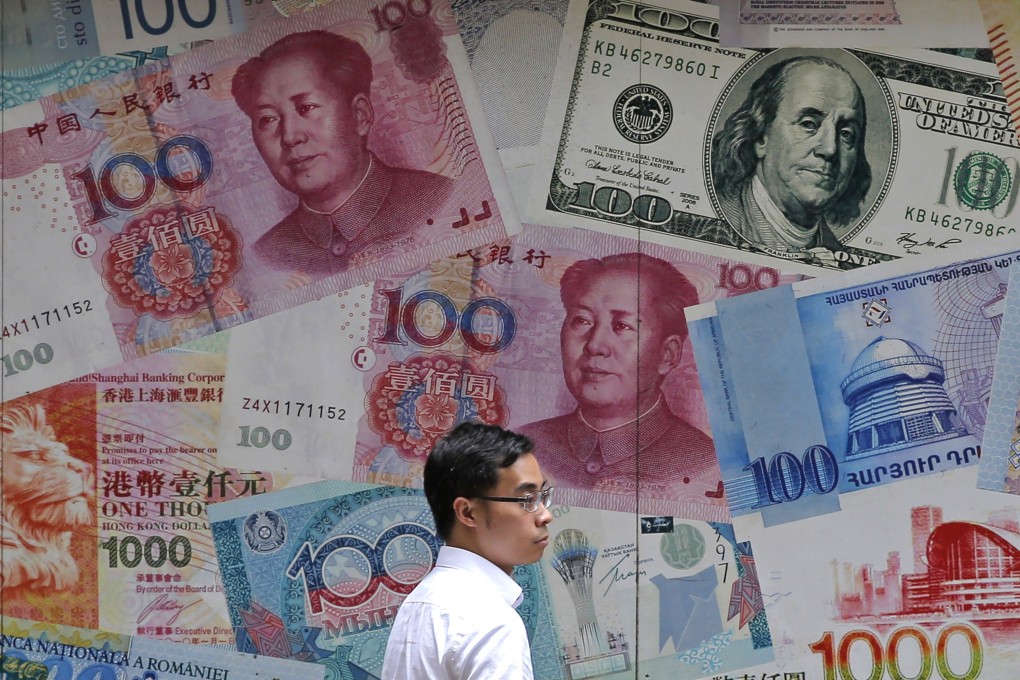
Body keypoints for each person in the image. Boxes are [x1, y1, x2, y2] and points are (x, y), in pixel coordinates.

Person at [232, 30, 454, 278]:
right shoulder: (268, 255)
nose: (290, 136)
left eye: (306, 108)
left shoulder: (442, 200)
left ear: (360, 115)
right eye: (268, 119)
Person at [519, 252, 719, 500]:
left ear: (667, 354)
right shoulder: (520, 445)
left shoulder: (707, 464)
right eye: (582, 320)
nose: (595, 345)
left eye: (622, 326)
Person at [382, 422, 553, 680]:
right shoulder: (492, 621)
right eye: (528, 500)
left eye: (543, 496)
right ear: (467, 512)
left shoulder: (419, 602)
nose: (545, 515)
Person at [709, 55, 872, 267]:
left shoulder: (844, 264)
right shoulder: (716, 224)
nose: (830, 149)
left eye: (846, 134)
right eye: (808, 124)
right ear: (760, 136)